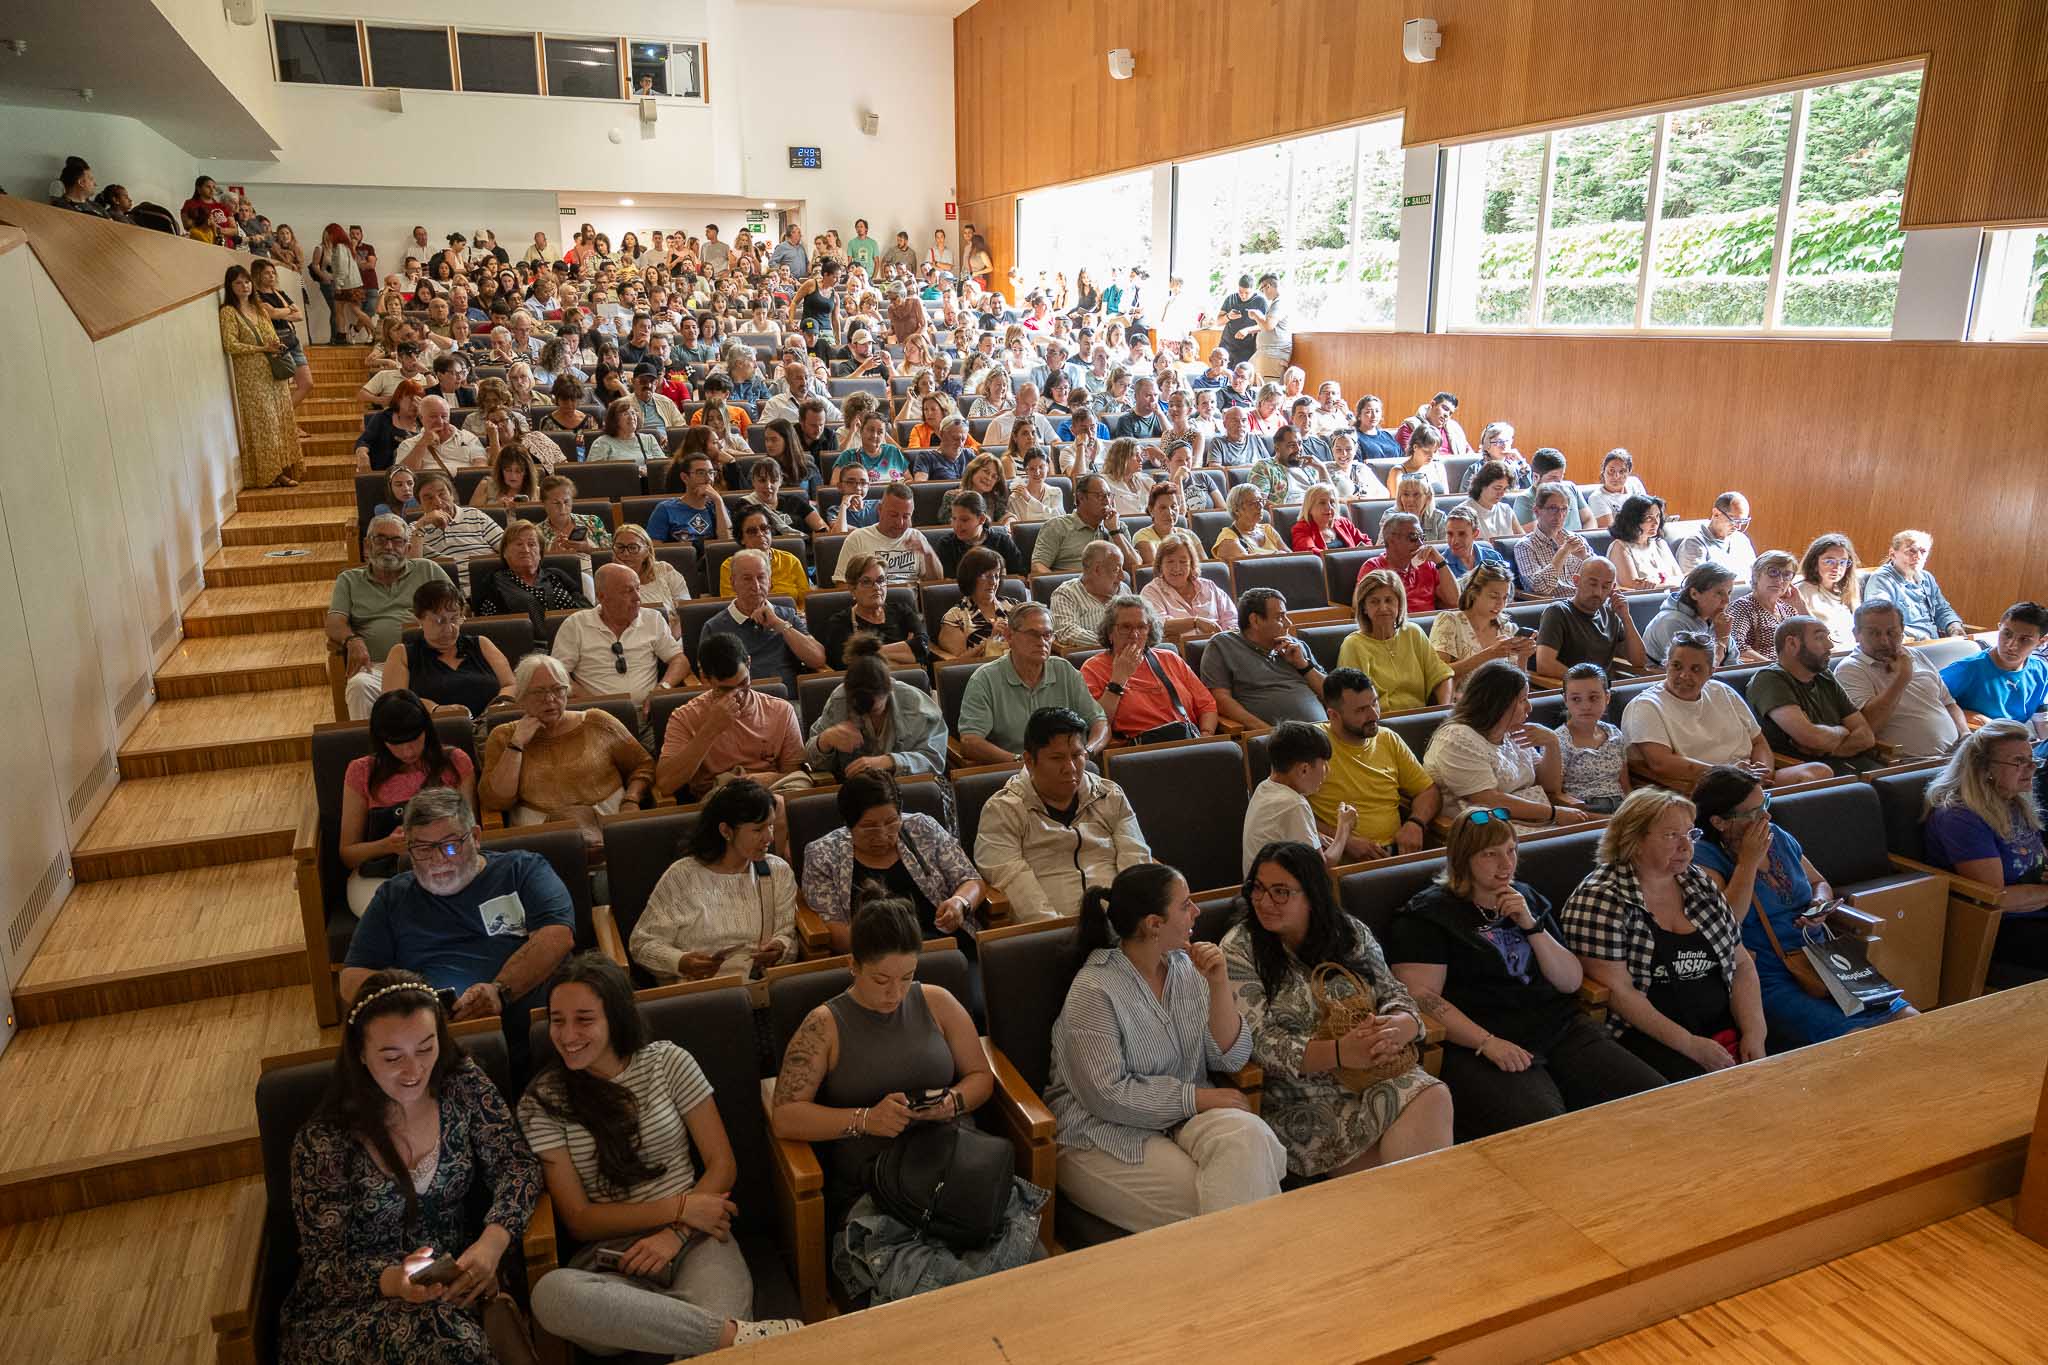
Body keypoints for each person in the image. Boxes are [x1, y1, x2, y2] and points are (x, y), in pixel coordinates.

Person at [519, 956, 800, 1355]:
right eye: (557, 1020)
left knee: (708, 1321)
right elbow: (580, 1220)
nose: (567, 1035)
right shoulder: (542, 1102)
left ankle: (689, 1332)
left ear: (615, 1018)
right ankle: (729, 1337)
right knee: (552, 1294)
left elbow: (722, 1164)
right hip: (614, 1260)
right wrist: (681, 1208)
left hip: (697, 1238)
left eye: (584, 1019)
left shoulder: (669, 1061)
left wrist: (677, 1233)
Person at [278, 970, 542, 1365]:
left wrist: (492, 1244)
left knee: (453, 1335)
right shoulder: (324, 1141)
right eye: (392, 1057)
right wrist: (393, 1281)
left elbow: (516, 1164)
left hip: (455, 1286)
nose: (414, 1070)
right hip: (353, 1310)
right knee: (451, 1343)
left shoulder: (461, 1084)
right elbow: (324, 1264)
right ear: (361, 1054)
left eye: (425, 1047)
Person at [770, 897, 1012, 1287]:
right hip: (877, 1189)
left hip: (954, 1165)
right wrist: (866, 1119)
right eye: (881, 980)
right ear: (852, 965)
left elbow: (980, 1076)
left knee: (1024, 1262)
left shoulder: (936, 1002)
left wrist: (951, 1102)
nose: (895, 993)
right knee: (945, 1284)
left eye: (906, 976)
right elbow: (785, 1115)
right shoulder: (824, 1024)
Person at [1387, 811, 1664, 1139]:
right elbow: (1422, 997)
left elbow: (1571, 981)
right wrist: (1487, 1043)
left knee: (1654, 1096)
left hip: (1558, 1026)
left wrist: (1531, 926)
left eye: (1511, 850)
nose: (1506, 864)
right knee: (1546, 1127)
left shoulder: (1525, 897)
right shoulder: (1428, 915)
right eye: (1490, 854)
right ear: (1463, 859)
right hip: (1483, 1039)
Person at [1045, 863, 1285, 1231]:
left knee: (1249, 1138)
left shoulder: (1187, 969)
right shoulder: (1094, 990)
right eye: (1186, 905)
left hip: (1181, 1121)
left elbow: (1232, 1056)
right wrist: (1198, 1099)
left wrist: (1219, 984)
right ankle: (1262, 1279)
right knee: (1222, 1200)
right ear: (1154, 924)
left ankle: (1251, 1278)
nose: (1197, 911)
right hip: (1102, 1133)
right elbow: (1106, 1096)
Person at [1222, 841, 1450, 1178]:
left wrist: (1402, 1025)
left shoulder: (1350, 932)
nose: (1264, 901)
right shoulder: (1240, 949)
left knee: (1434, 1095)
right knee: (1398, 1181)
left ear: (1312, 894)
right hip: (1303, 1096)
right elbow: (1257, 1042)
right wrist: (1340, 1053)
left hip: (1375, 1073)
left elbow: (1394, 993)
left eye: (1281, 892)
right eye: (1258, 888)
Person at [1691, 767, 1920, 1042]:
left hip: (1823, 960)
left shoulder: (1776, 835)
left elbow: (1818, 882)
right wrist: (1748, 862)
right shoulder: (1706, 856)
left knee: (1910, 1020)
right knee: (1857, 1040)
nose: (1766, 816)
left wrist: (1819, 903)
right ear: (1719, 822)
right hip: (1767, 973)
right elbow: (1727, 922)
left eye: (1765, 803)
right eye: (1753, 813)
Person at [1560, 788, 1766, 1080]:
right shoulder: (1600, 898)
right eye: (1671, 836)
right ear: (1634, 839)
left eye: (1690, 835)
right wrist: (1690, 1045)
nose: (1686, 846)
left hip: (1721, 1024)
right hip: (1648, 1035)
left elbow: (1742, 964)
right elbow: (1620, 993)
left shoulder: (1696, 882)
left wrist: (1755, 1032)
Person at [341, 785, 577, 1022]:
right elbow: (351, 979)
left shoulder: (523, 870)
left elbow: (557, 936)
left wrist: (500, 991)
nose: (438, 860)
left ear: (475, 837)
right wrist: (414, 1001)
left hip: (538, 1022)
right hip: (439, 1035)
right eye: (423, 849)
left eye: (450, 846)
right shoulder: (392, 897)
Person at [975, 707, 1151, 921]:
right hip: (1055, 934)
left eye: (1077, 755)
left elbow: (1136, 858)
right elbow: (1015, 885)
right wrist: (1059, 934)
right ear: (1029, 761)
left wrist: (1130, 922)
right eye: (1057, 758)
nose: (1070, 768)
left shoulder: (1109, 795)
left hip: (1121, 925)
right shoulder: (1003, 811)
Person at [801, 770, 985, 962]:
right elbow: (835, 930)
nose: (882, 835)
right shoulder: (823, 854)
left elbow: (972, 880)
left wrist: (959, 903)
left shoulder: (922, 827)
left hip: (946, 947)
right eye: (869, 826)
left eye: (891, 822)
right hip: (876, 958)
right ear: (849, 823)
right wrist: (896, 957)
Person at [629, 779, 799, 984]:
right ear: (726, 831)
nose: (769, 838)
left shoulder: (777, 872)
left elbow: (788, 935)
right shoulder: (683, 876)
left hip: (759, 988)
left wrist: (780, 948)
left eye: (770, 826)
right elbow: (642, 944)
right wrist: (680, 961)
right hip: (700, 994)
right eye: (757, 830)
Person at [1920, 720, 2048, 978]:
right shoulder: (1960, 817)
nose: (2031, 768)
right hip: (2001, 929)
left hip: (2036, 910)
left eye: (2031, 760)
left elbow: (2040, 860)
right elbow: (1995, 898)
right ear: (1984, 768)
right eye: (2019, 762)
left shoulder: (2012, 799)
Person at [1622, 635, 1833, 790]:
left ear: (1711, 671)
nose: (1684, 675)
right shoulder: (1646, 705)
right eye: (1676, 666)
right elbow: (1661, 763)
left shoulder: (1721, 691)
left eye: (1695, 669)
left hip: (1747, 778)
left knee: (1819, 772)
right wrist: (1728, 775)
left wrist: (1762, 772)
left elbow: (1758, 742)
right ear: (1666, 665)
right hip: (1701, 785)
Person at [338, 691, 478, 916]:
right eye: (396, 744)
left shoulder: (454, 762)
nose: (408, 751)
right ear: (381, 741)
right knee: (400, 915)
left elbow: (471, 832)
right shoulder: (362, 771)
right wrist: (386, 845)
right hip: (383, 872)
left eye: (414, 740)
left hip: (447, 863)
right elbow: (347, 854)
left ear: (427, 731)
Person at [478, 655, 653, 830]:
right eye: (539, 692)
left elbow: (643, 765)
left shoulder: (598, 722)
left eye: (557, 689)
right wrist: (516, 744)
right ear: (521, 697)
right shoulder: (504, 736)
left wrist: (631, 799)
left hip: (608, 823)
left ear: (567, 691)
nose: (550, 699)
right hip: (541, 834)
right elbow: (496, 801)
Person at [1424, 660, 1586, 833]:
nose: (1529, 708)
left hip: (1528, 819)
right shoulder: (1457, 739)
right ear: (1498, 704)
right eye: (1523, 700)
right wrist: (1554, 813)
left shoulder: (1510, 731)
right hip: (1483, 829)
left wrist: (1552, 743)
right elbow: (1488, 800)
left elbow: (1550, 788)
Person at [333, 515, 463, 723]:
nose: (389, 546)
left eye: (397, 540)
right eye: (381, 539)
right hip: (376, 666)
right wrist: (352, 640)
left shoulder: (427, 569)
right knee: (359, 686)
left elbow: (460, 610)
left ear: (408, 547)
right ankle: (374, 753)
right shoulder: (349, 580)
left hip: (429, 660)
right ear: (367, 545)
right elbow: (335, 622)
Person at [1310, 668, 1440, 862]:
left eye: (1375, 702)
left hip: (1397, 854)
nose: (1374, 715)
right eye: (1361, 710)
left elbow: (1428, 791)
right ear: (1333, 715)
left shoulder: (1388, 738)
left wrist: (1416, 822)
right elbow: (1290, 812)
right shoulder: (1312, 743)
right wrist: (1345, 840)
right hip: (1339, 859)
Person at [1747, 616, 1885, 775]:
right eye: (1820, 638)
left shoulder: (1824, 676)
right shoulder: (1769, 680)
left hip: (1853, 764)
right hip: (1810, 773)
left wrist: (1831, 749)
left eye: (1828, 637)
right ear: (1792, 644)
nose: (1830, 645)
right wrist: (1842, 731)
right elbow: (1811, 738)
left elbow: (1866, 736)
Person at [1835, 599, 1968, 760]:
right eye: (1874, 633)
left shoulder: (1916, 655)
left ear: (1902, 631)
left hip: (1956, 755)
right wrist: (1902, 679)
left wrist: (1965, 734)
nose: (1884, 641)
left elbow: (1949, 704)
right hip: (1907, 764)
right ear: (1856, 634)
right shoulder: (1850, 669)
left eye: (1891, 632)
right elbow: (1867, 728)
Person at [1081, 595, 1219, 743]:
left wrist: (1206, 735)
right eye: (1125, 627)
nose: (1134, 635)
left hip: (1189, 742)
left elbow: (1207, 705)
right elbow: (1096, 723)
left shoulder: (1170, 659)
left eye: (1141, 627)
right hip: (1142, 753)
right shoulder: (1093, 669)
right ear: (1110, 633)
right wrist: (1118, 680)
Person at [551, 564, 691, 703]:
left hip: (648, 715)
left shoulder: (652, 619)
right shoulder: (576, 625)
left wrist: (662, 688)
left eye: (637, 589)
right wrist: (593, 703)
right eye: (627, 591)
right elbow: (557, 675)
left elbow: (679, 660)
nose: (637, 598)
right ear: (602, 596)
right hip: (596, 716)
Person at [219, 265, 304, 489]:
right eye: (238, 283)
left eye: (246, 282)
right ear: (230, 286)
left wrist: (274, 346)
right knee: (264, 424)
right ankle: (270, 473)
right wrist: (261, 349)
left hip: (272, 371)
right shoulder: (229, 311)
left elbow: (271, 335)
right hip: (251, 375)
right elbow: (230, 344)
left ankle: (285, 468)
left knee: (280, 420)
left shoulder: (259, 308)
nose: (244, 286)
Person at [381, 580, 516, 719]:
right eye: (439, 621)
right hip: (435, 730)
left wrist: (500, 705)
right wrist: (435, 709)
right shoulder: (402, 654)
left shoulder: (482, 644)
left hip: (490, 726)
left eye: (454, 619)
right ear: (419, 619)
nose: (449, 628)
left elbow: (510, 684)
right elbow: (394, 702)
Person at [700, 549, 826, 694]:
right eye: (747, 578)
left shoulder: (787, 616)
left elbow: (818, 659)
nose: (756, 586)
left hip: (788, 702)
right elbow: (707, 680)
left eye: (761, 577)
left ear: (770, 581)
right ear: (733, 583)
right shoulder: (714, 627)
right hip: (739, 704)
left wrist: (779, 625)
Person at [1199, 587, 1329, 727]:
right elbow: (1220, 699)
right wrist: (1265, 731)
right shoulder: (1222, 645)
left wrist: (1304, 666)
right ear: (1255, 620)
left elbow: (1333, 696)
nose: (1288, 624)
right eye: (1280, 617)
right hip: (1275, 739)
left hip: (1324, 732)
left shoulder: (1295, 645)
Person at [1243, 722, 1357, 872]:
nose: (1327, 772)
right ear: (1304, 770)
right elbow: (1320, 866)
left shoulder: (1264, 787)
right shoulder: (1294, 804)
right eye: (1324, 765)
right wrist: (1344, 827)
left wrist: (1315, 835)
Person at [1339, 569, 1453, 711]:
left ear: (1399, 604)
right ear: (1364, 608)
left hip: (1420, 718)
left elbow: (1442, 676)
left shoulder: (1413, 633)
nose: (1383, 608)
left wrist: (1443, 712)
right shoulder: (1353, 645)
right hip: (1379, 724)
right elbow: (1353, 700)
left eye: (1389, 600)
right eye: (1374, 602)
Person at [1940, 602, 2048, 737]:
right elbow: (1932, 701)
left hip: (2015, 740)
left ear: (2041, 642)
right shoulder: (1967, 669)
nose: (2011, 645)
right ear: (1999, 628)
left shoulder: (2041, 671)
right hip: (1977, 740)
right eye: (2007, 634)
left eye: (2024, 639)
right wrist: (1967, 716)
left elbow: (2042, 718)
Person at [1532, 557, 1646, 681]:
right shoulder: (1557, 612)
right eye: (1592, 584)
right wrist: (1590, 683)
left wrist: (1626, 617)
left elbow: (1639, 661)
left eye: (1605, 587)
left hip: (1604, 691)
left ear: (1613, 588)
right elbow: (1545, 665)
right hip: (1574, 691)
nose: (1598, 592)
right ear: (1576, 581)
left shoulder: (1611, 613)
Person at [817, 554, 931, 670]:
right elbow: (846, 665)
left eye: (881, 580)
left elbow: (922, 647)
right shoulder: (840, 623)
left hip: (911, 682)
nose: (877, 587)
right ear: (852, 589)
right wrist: (905, 651)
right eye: (866, 582)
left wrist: (867, 653)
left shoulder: (902, 611)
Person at [1431, 562, 1536, 687]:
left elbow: (1518, 688)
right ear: (1474, 592)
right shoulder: (1449, 621)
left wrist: (1523, 657)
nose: (1500, 604)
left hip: (1501, 702)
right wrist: (1488, 655)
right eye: (1493, 596)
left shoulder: (1508, 628)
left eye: (1504, 598)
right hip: (1462, 702)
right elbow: (1438, 674)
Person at [470, 520, 590, 628]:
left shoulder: (557, 576)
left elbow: (586, 611)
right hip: (526, 648)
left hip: (573, 640)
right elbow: (492, 628)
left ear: (540, 553)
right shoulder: (494, 583)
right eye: (519, 544)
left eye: (532, 544)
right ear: (505, 552)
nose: (526, 550)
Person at [1863, 529, 1967, 640]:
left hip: (1933, 643)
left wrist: (1954, 627)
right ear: (1892, 554)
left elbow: (1942, 610)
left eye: (1923, 551)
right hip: (1905, 645)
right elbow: (1880, 620)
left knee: (1977, 647)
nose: (1918, 557)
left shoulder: (1927, 578)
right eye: (1911, 551)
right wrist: (1920, 637)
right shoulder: (1881, 579)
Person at [834, 483, 942, 586]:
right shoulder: (857, 538)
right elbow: (842, 584)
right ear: (880, 510)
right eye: (894, 515)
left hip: (909, 602)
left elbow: (935, 584)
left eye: (906, 516)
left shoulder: (917, 537)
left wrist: (929, 554)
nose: (900, 522)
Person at [1031, 474, 1139, 576]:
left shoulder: (1117, 526)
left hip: (1112, 590)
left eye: (1109, 495)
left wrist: (1115, 532)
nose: (1107, 501)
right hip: (1073, 591)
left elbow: (1135, 567)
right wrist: (1068, 586)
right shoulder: (1057, 526)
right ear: (1081, 497)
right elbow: (1038, 567)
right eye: (1100, 496)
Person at [1641, 563, 1743, 668]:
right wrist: (1722, 639)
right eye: (1719, 593)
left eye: (1729, 592)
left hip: (1717, 680)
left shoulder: (1715, 619)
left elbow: (1733, 662)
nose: (1727, 600)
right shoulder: (1671, 622)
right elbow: (1699, 670)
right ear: (1694, 594)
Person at [1143, 535, 1235, 646]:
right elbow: (1158, 625)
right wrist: (1195, 622)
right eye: (1170, 561)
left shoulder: (1209, 587)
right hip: (1179, 654)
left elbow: (1232, 619)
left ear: (1191, 564)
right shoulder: (1151, 591)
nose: (1177, 568)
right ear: (1160, 565)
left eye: (1183, 562)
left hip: (1220, 648)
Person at [1361, 512, 1458, 614]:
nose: (1420, 543)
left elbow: (1455, 602)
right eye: (1414, 537)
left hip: (1430, 626)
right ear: (1391, 541)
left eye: (1422, 537)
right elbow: (1363, 609)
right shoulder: (1373, 567)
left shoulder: (1428, 565)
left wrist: (1440, 562)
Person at [717, 505, 809, 605]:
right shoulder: (729, 566)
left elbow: (805, 603)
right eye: (752, 531)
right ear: (741, 538)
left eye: (764, 528)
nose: (760, 534)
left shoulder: (790, 561)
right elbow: (731, 605)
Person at [1512, 485, 1592, 599]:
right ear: (1537, 511)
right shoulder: (1525, 546)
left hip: (1585, 601)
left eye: (1564, 509)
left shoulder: (1577, 539)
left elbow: (1606, 577)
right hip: (1554, 607)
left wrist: (1586, 557)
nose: (1559, 515)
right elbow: (1540, 588)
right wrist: (1563, 552)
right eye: (1553, 508)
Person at [646, 450, 734, 549]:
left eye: (711, 473)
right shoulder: (666, 508)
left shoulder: (717, 506)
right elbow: (655, 549)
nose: (708, 478)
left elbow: (727, 545)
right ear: (684, 478)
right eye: (701, 473)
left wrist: (718, 501)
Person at [1049, 541, 1127, 650]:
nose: (1122, 577)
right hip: (1090, 659)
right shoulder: (1066, 594)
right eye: (1116, 570)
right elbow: (1067, 632)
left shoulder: (1123, 589)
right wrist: (1112, 642)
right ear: (1097, 569)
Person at [1726, 551, 1802, 663]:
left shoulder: (1788, 609)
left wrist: (1801, 606)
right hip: (1763, 670)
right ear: (1757, 575)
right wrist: (1776, 666)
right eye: (1773, 572)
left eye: (1786, 575)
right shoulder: (1743, 606)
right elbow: (1735, 645)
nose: (1780, 580)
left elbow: (1811, 641)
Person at [1795, 532, 1862, 652]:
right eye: (1829, 561)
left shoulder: (1848, 589)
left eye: (1843, 562)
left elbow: (1860, 627)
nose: (1837, 568)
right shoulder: (1802, 591)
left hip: (1852, 652)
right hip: (1823, 655)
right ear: (1815, 563)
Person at [1606, 494, 1682, 592]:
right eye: (1649, 518)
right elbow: (1631, 587)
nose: (1656, 522)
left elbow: (1679, 578)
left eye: (1658, 516)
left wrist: (1662, 586)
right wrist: (1669, 586)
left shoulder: (1660, 544)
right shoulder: (1620, 547)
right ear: (1633, 520)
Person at [1674, 492, 1758, 579]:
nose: (1738, 527)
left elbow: (1755, 575)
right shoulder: (1694, 543)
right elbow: (1695, 586)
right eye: (1734, 520)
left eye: (1743, 521)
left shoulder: (1742, 540)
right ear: (1716, 513)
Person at [398, 396, 487, 473]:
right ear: (421, 418)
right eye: (433, 416)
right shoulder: (408, 444)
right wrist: (423, 443)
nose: (440, 422)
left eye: (444, 416)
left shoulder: (468, 438)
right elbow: (404, 475)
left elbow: (480, 467)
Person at [1211, 483, 1289, 564]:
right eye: (1253, 503)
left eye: (1261, 500)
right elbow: (1246, 564)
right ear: (1237, 510)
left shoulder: (1267, 529)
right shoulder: (1227, 537)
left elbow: (1291, 556)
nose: (1260, 506)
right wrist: (1276, 555)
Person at [1290, 482, 1368, 553]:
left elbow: (1366, 542)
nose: (1329, 507)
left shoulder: (1344, 522)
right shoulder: (1301, 528)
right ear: (1310, 508)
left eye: (1332, 502)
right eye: (1322, 503)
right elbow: (1310, 553)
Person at [1397, 392, 1472, 461]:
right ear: (1432, 404)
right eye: (1445, 409)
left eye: (1450, 413)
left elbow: (1470, 456)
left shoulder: (1455, 430)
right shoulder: (1410, 426)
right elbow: (1410, 459)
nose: (1447, 415)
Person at [1584, 449, 1649, 525]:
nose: (1616, 476)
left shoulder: (1635, 483)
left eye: (1622, 471)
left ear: (1629, 472)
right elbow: (1609, 532)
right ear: (1603, 470)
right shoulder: (1597, 498)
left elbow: (1649, 512)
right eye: (1611, 471)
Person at [1459, 460, 1521, 539]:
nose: (1502, 494)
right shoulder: (1463, 513)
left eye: (1504, 489)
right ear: (1482, 485)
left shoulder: (1506, 510)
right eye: (1497, 488)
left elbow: (1522, 541)